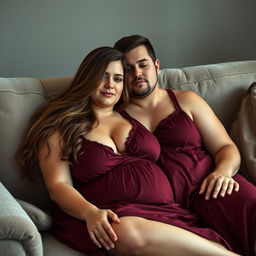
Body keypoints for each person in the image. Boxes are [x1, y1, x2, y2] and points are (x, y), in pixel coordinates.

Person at [17, 46, 240, 256]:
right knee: (123, 232)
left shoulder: (131, 115)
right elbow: (58, 185)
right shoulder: (61, 125)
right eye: (102, 76)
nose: (110, 85)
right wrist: (90, 213)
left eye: (118, 79)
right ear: (87, 78)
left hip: (164, 210)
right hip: (104, 213)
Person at [114, 35, 256, 255]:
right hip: (162, 208)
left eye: (143, 65)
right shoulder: (113, 117)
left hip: (211, 187)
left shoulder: (186, 100)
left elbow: (226, 147)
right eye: (128, 69)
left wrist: (223, 172)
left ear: (157, 66)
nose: (137, 74)